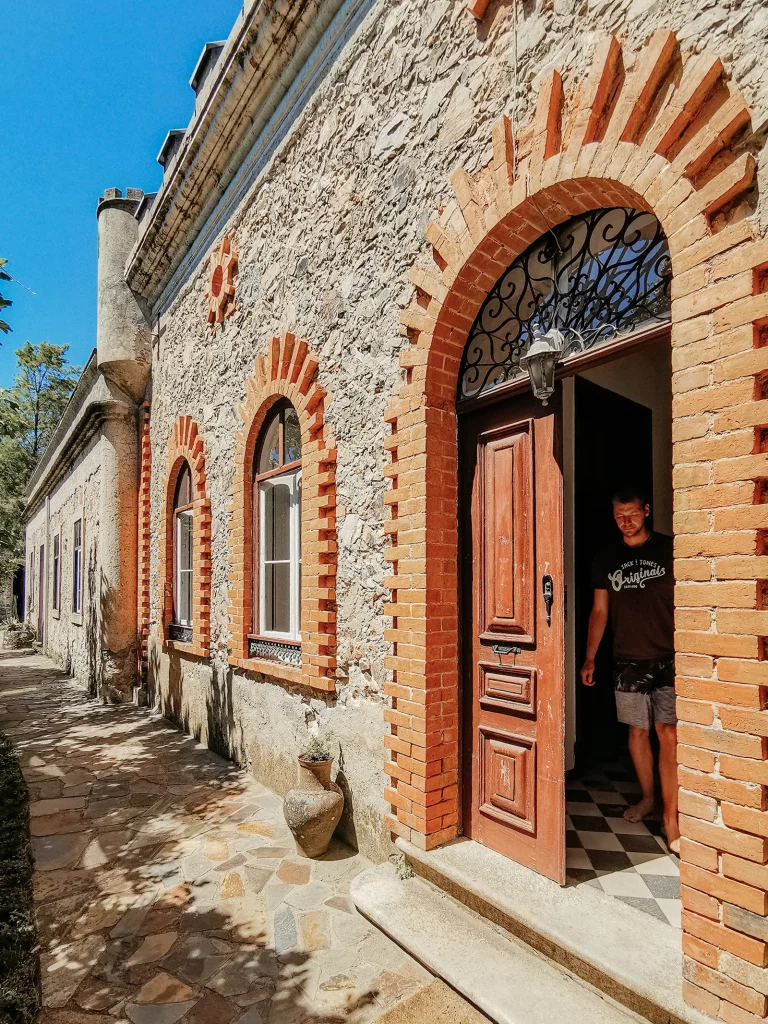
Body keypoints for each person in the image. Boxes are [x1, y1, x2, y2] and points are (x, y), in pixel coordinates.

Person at [580, 487, 679, 855]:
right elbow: (600, 611)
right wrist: (590, 658)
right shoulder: (606, 557)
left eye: (633, 513)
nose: (626, 520)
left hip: (669, 657)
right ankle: (649, 798)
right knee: (638, 733)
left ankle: (672, 819)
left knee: (668, 733)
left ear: (647, 511)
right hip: (627, 660)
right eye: (620, 514)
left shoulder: (669, 549)